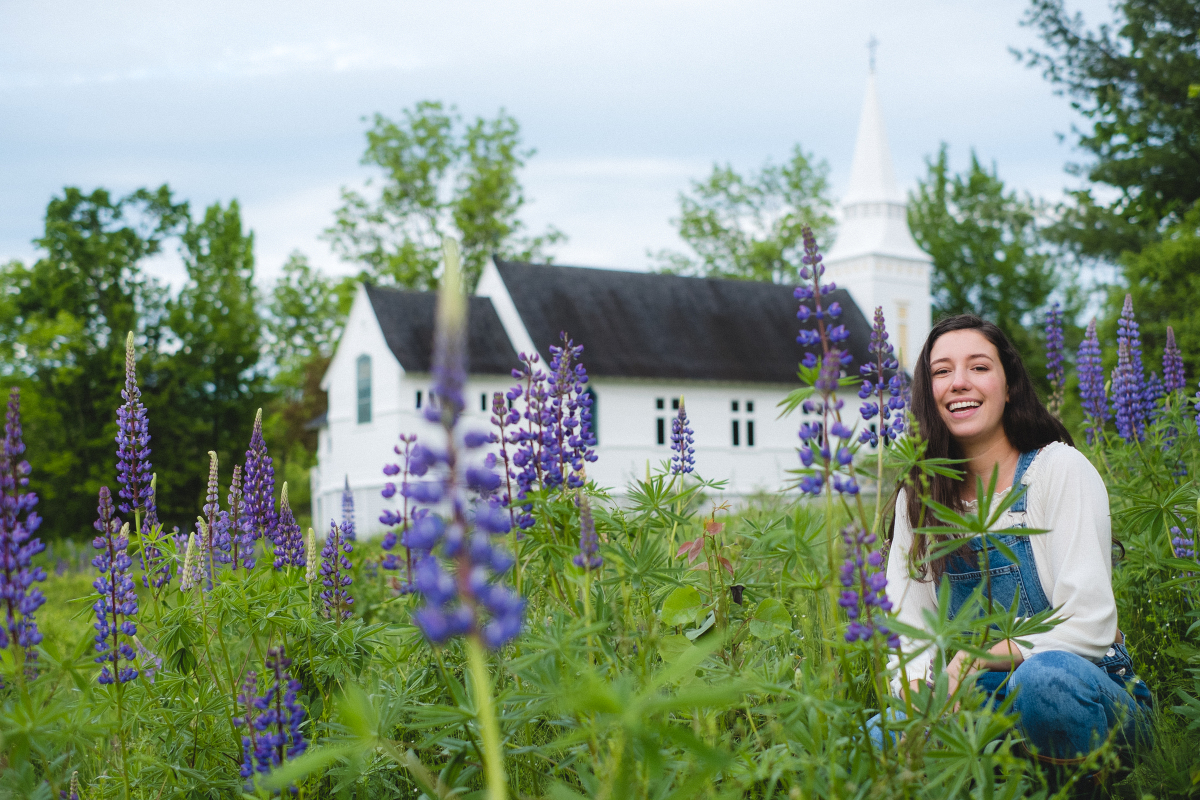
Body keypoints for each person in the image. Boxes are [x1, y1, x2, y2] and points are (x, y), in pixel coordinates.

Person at [877, 314, 1151, 768]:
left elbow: (1091, 624)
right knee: (878, 739)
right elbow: (907, 633)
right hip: (981, 707)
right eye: (942, 371)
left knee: (1042, 680)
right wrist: (916, 699)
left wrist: (974, 656)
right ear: (928, 394)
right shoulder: (921, 495)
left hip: (1091, 694)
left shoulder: (1058, 470)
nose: (959, 382)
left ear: (1009, 385)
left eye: (979, 367)